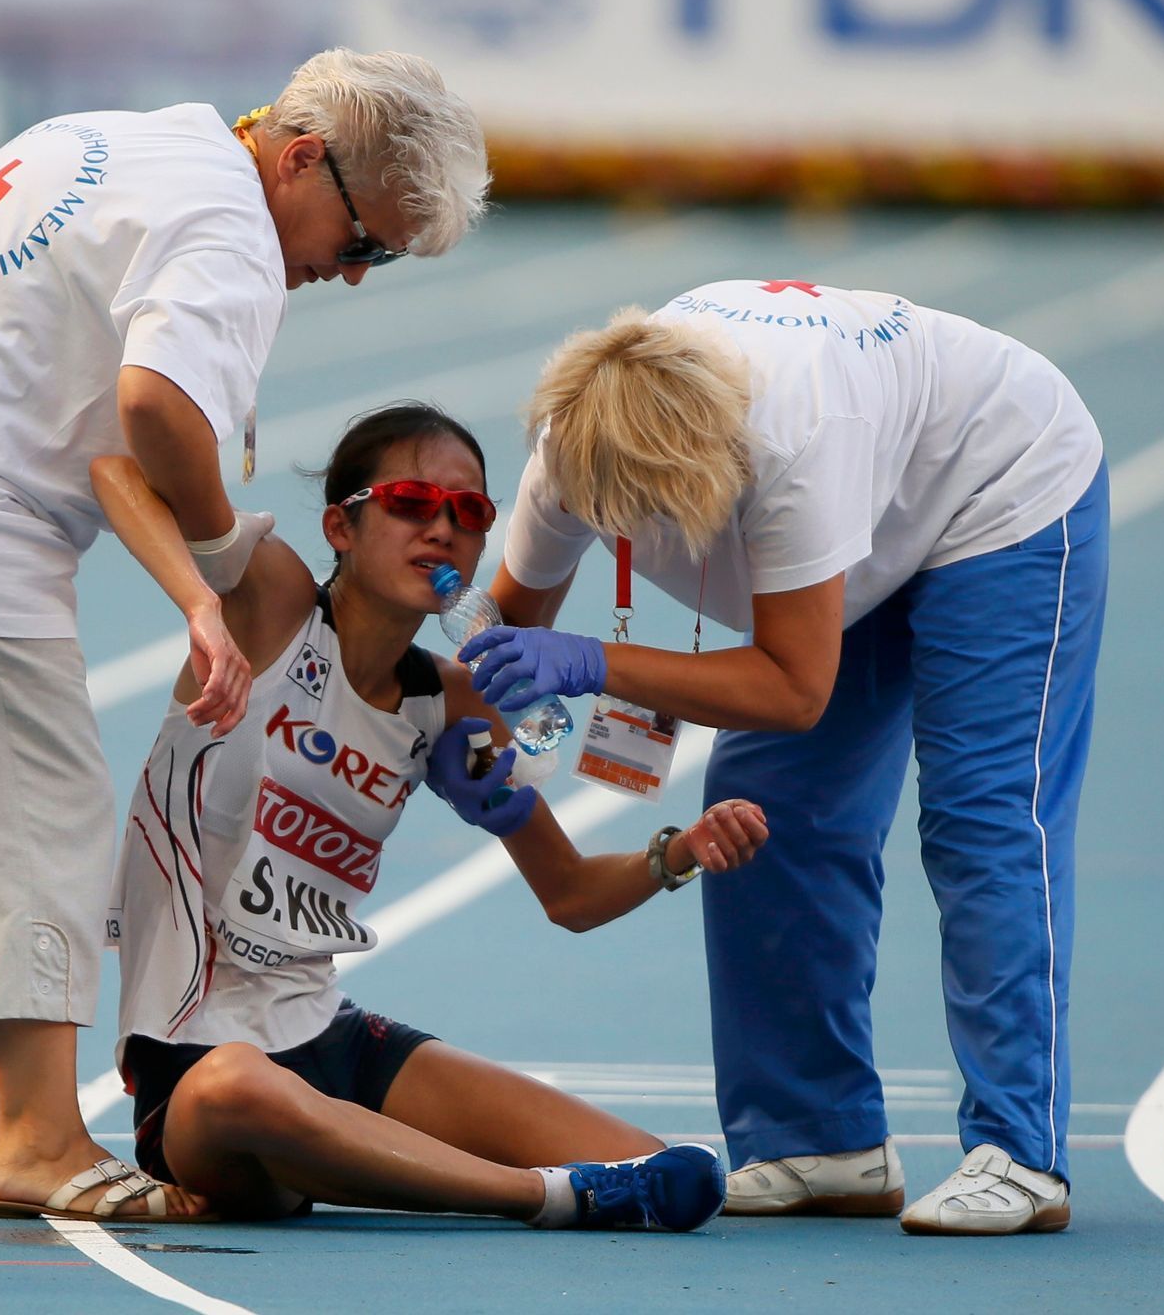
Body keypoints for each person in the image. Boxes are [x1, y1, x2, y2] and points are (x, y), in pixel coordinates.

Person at [0, 50, 489, 1220]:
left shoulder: (142, 141)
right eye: (361, 243)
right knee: (41, 816)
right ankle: (37, 1141)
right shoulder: (235, 232)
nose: (349, 275)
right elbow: (152, 406)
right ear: (299, 159)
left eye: (379, 263)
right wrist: (219, 567)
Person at [464, 283, 1108, 1236]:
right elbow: (508, 622)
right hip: (867, 496)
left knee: (983, 820)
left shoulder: (794, 445)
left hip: (994, 494)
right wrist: (459, 723)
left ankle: (1020, 1152)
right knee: (761, 816)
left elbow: (795, 690)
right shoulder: (572, 438)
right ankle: (820, 1139)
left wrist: (596, 661)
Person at [69, 402, 768, 1228]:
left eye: (467, 513)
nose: (440, 528)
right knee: (238, 1087)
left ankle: (505, 1174)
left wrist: (678, 851)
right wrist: (199, 607)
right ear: (341, 524)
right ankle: (542, 1198)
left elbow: (571, 892)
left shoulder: (448, 701)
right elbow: (117, 468)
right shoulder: (271, 604)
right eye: (409, 500)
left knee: (669, 1168)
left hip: (329, 1039)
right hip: (197, 1065)